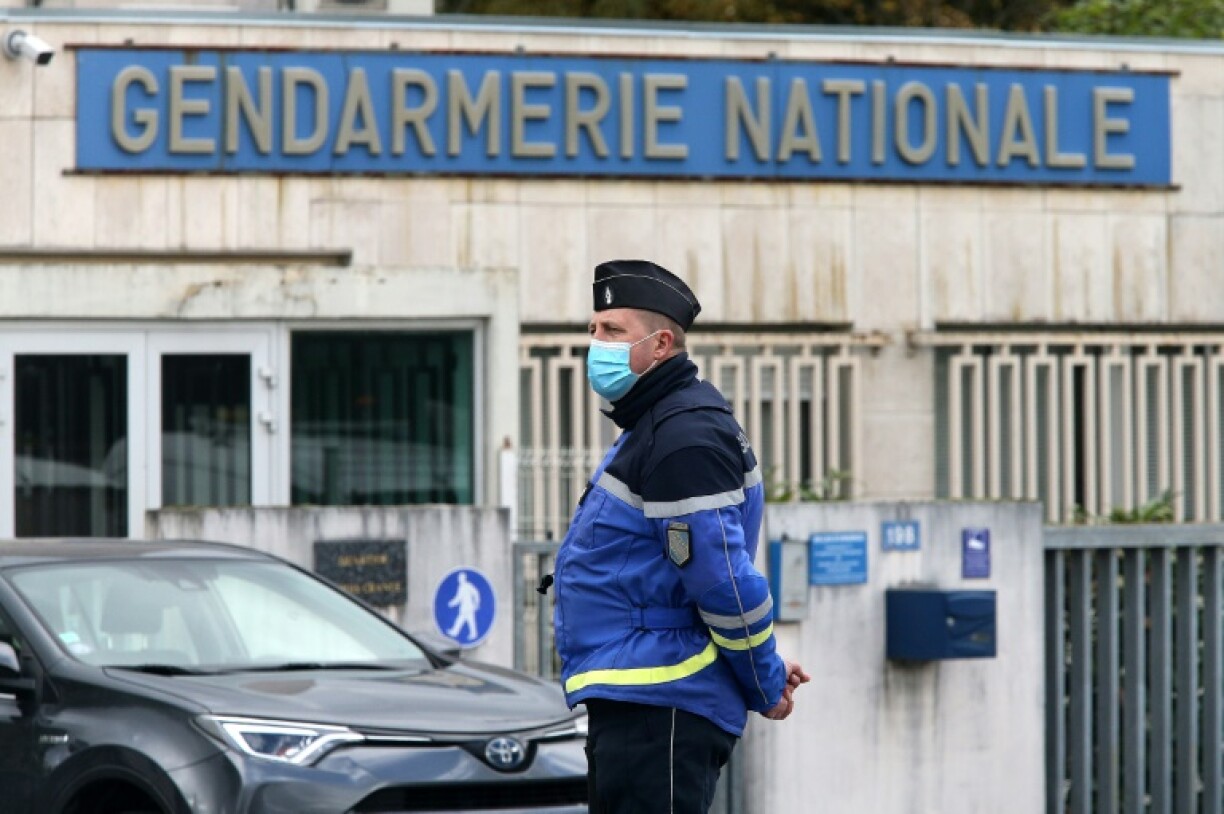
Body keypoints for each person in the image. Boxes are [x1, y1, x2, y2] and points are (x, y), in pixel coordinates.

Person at [551, 259, 810, 814]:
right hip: (644, 696)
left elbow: (725, 585)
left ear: (662, 343)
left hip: (661, 703)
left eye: (613, 330)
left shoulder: (682, 436)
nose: (596, 343)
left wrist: (764, 680)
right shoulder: (656, 424)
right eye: (593, 330)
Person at [446, 571, 480, 641]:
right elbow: (459, 598)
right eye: (459, 578)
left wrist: (477, 603)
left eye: (460, 578)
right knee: (462, 620)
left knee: (469, 621)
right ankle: (455, 632)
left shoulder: (467, 586)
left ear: (463, 578)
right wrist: (452, 603)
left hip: (468, 607)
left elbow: (475, 593)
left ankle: (472, 634)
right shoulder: (461, 587)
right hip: (465, 608)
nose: (459, 579)